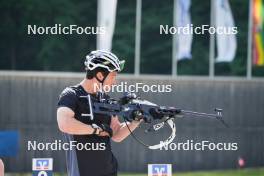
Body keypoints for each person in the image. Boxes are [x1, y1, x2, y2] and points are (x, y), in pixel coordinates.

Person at [57, 50, 142, 176]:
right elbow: (64, 124)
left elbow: (116, 133)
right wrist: (95, 129)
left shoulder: (105, 99)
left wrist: (135, 120)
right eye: (113, 76)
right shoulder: (71, 94)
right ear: (100, 75)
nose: (115, 81)